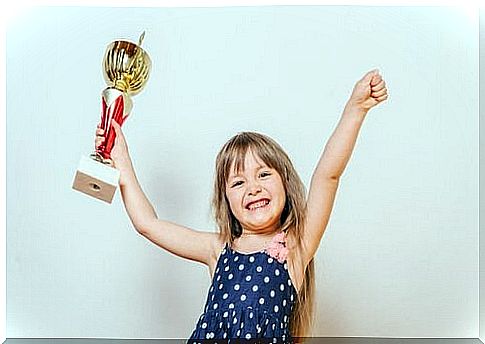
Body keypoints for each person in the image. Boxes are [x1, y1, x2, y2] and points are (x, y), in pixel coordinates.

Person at [95, 69, 388, 343]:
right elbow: (148, 224)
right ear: (226, 201)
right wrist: (122, 159)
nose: (253, 188)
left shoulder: (296, 247)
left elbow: (328, 175)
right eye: (238, 183)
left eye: (263, 174)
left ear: (285, 183)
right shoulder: (217, 249)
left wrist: (355, 110)